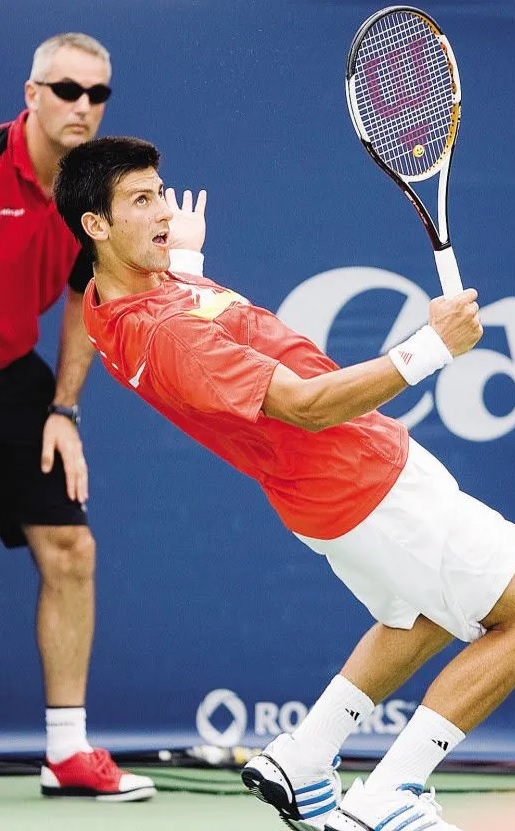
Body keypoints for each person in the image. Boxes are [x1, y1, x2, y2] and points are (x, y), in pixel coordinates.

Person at [54, 135, 515, 831]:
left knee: (421, 613)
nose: (163, 212)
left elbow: (188, 317)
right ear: (95, 225)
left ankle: (305, 753)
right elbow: (305, 404)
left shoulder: (113, 301)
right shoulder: (163, 331)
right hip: (362, 477)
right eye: (140, 202)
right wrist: (431, 346)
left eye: (161, 192)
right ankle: (392, 790)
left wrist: (189, 266)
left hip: (323, 496)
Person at [0, 34, 178, 801]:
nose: (82, 106)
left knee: (71, 547)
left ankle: (67, 752)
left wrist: (64, 407)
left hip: (12, 375)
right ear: (31, 93)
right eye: (65, 89)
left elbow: (82, 297)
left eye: (96, 94)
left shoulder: (86, 195)